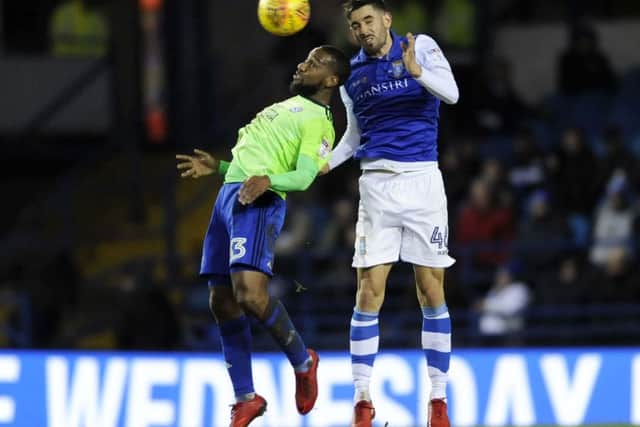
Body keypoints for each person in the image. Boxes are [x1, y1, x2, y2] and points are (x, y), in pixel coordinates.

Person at [175, 45, 350, 427]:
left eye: (316, 62)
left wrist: (269, 181)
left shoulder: (320, 121)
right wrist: (220, 166)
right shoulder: (285, 106)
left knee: (250, 296)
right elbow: (250, 163)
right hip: (229, 197)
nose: (304, 63)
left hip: (260, 200)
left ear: (333, 81)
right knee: (221, 301)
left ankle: (304, 362)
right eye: (305, 57)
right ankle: (246, 398)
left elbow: (305, 175)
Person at [322, 1, 459, 426]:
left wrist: (417, 70)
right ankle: (362, 399)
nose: (362, 29)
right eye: (354, 24)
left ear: (386, 19)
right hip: (376, 184)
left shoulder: (421, 47)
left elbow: (452, 94)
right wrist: (323, 163)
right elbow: (353, 137)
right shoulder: (353, 76)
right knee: (368, 293)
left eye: (367, 20)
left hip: (422, 181)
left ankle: (438, 400)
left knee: (430, 291)